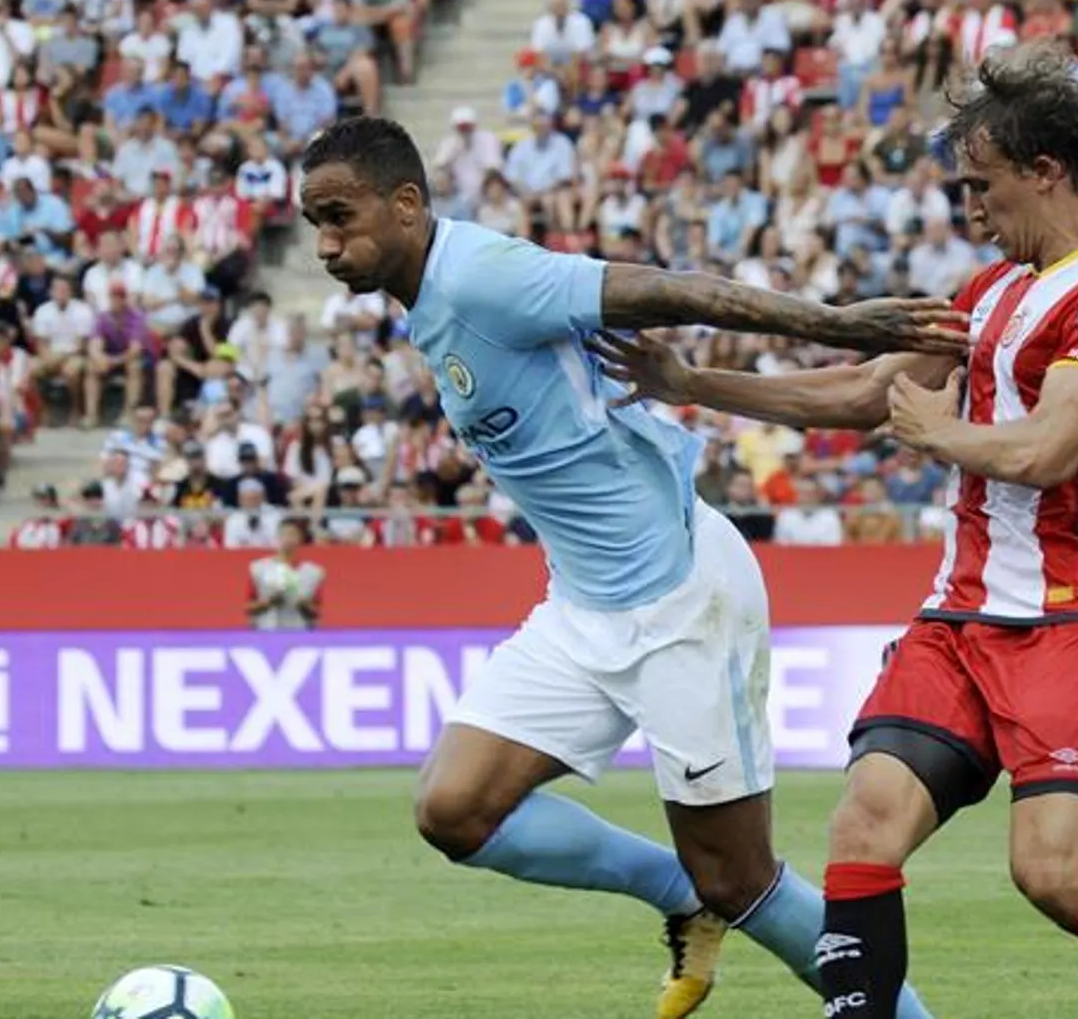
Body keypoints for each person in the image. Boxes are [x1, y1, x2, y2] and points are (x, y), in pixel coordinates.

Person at [592, 44, 1078, 1019]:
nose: (967, 206)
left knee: (1053, 875)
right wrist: (694, 384)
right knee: (864, 824)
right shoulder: (989, 289)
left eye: (982, 185)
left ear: (1046, 171)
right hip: (960, 616)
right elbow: (860, 393)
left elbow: (1049, 448)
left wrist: (940, 434)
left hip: (1073, 617)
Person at [296, 116, 958, 1019]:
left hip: (680, 597)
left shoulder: (483, 275)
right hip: (582, 606)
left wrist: (833, 325)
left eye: (341, 217)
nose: (328, 245)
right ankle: (677, 892)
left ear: (407, 204)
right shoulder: (426, 304)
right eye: (315, 226)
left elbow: (667, 290)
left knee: (743, 876)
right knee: (454, 808)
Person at [247, 517, 325, 630]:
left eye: (292, 534)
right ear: (277, 537)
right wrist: (269, 602)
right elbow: (248, 607)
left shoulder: (313, 572)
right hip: (267, 631)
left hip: (297, 633)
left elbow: (316, 612)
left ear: (300, 538)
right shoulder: (259, 568)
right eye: (284, 534)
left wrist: (301, 604)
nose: (288, 539)